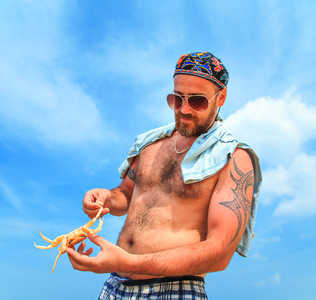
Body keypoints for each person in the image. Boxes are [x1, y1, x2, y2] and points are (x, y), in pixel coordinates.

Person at [67, 52, 262, 299]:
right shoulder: (149, 145)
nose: (184, 109)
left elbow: (220, 253)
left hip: (176, 290)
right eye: (176, 99)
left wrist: (128, 262)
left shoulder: (233, 158)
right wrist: (106, 197)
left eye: (198, 101)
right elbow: (126, 194)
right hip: (114, 287)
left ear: (220, 97)